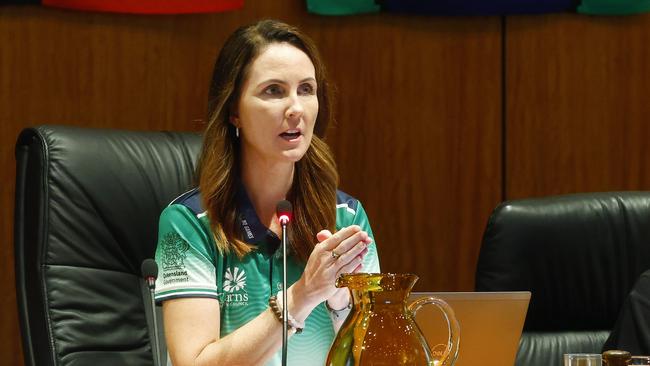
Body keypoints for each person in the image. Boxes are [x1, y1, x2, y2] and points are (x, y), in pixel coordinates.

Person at [154, 19, 380, 366]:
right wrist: (303, 295)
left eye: (306, 89)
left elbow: (379, 355)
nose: (295, 108)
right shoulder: (188, 224)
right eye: (273, 91)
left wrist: (340, 303)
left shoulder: (346, 217)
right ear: (234, 111)